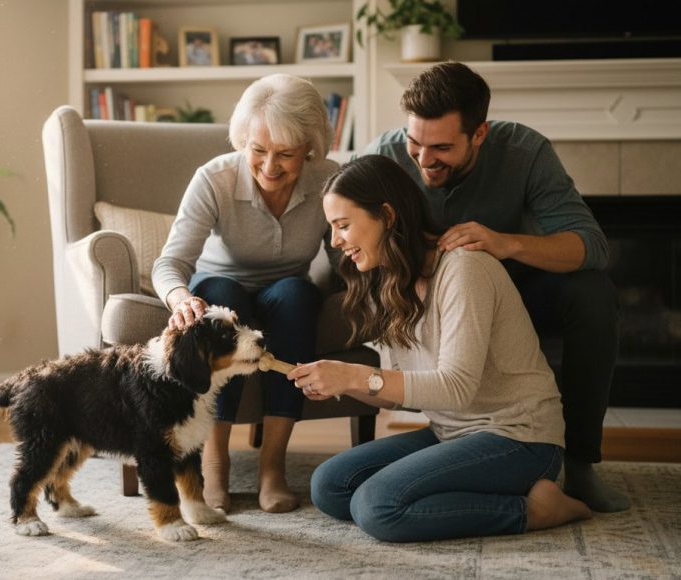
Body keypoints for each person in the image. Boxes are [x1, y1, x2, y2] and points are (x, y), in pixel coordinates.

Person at [361, 61, 628, 513]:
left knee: (594, 294)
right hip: (428, 297)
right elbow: (340, 241)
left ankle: (580, 465)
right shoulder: (384, 155)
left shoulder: (525, 151)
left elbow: (592, 246)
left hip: (520, 292)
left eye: (442, 147)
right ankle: (462, 449)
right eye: (415, 143)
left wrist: (506, 243)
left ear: (480, 134)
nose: (424, 161)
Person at [287, 154, 592, 543]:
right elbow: (402, 397)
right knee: (329, 485)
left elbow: (456, 387)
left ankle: (534, 509)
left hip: (519, 437)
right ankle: (476, 489)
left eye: (343, 225)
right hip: (452, 432)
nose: (335, 241)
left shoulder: (465, 269)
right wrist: (342, 384)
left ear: (387, 215)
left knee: (376, 507)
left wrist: (354, 375)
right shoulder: (390, 280)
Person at [152, 73, 338, 514]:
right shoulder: (213, 179)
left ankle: (272, 467)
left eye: (286, 154)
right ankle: (213, 463)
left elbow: (345, 253)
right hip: (221, 292)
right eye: (258, 151)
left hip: (283, 297)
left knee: (297, 293)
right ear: (243, 142)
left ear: (310, 148)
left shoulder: (330, 180)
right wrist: (181, 299)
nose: (270, 166)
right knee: (222, 292)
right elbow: (170, 263)